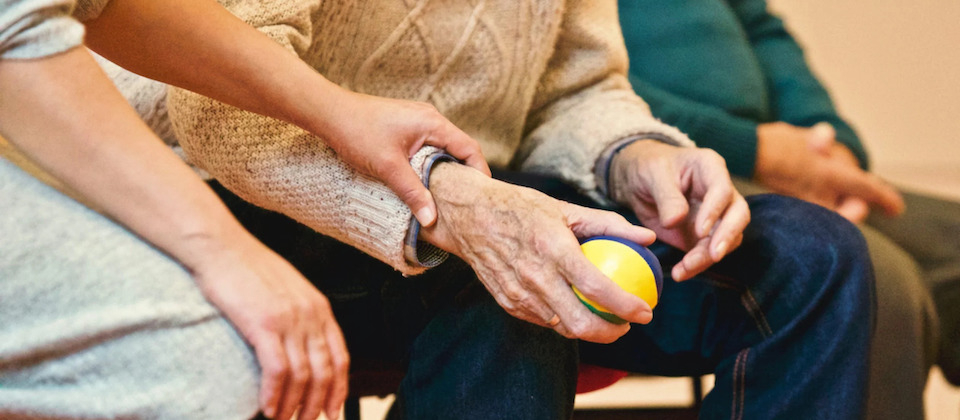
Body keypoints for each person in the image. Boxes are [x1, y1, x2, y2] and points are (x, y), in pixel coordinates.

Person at [103, 0, 878, 418]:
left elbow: (576, 88)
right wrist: (451, 203)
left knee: (811, 258)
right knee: (509, 282)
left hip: (486, 187)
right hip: (252, 189)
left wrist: (638, 156)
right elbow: (215, 109)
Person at [0, 0, 490, 418]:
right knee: (209, 366)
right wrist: (226, 253)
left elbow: (98, 7)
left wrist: (342, 112)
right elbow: (20, 31)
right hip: (175, 167)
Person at [617, 0, 954, 418]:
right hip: (652, 167)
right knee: (866, 272)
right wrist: (756, 151)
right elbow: (576, 85)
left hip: (777, 160)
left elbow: (763, 31)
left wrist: (829, 145)